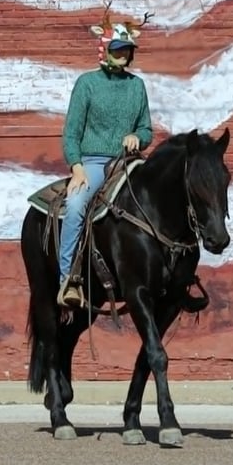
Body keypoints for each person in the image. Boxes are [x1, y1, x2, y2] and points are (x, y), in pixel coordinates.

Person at [57, 21, 153, 307]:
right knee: (75, 205)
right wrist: (76, 167)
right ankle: (68, 279)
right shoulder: (87, 84)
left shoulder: (138, 86)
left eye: (127, 49)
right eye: (118, 48)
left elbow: (147, 129)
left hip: (131, 162)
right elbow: (72, 132)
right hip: (95, 163)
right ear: (106, 50)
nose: (123, 53)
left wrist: (138, 136)